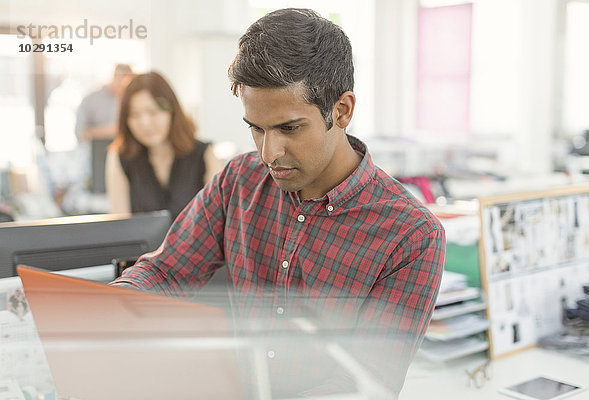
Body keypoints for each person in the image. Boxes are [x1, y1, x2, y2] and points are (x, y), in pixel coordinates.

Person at [111, 8, 445, 397]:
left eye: (289, 128)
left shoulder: (412, 237)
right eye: (256, 128)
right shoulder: (239, 180)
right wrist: (109, 309)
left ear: (342, 111)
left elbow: (364, 383)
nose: (269, 152)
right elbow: (167, 273)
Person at [105, 72, 221, 219]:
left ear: (172, 111)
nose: (145, 123)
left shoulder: (204, 154)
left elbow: (222, 221)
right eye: (134, 114)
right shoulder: (120, 157)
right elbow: (120, 226)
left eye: (153, 112)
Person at [75, 64, 133, 142]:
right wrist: (111, 130)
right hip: (97, 150)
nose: (125, 86)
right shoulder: (91, 100)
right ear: (115, 77)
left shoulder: (129, 99)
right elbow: (79, 132)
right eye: (123, 82)